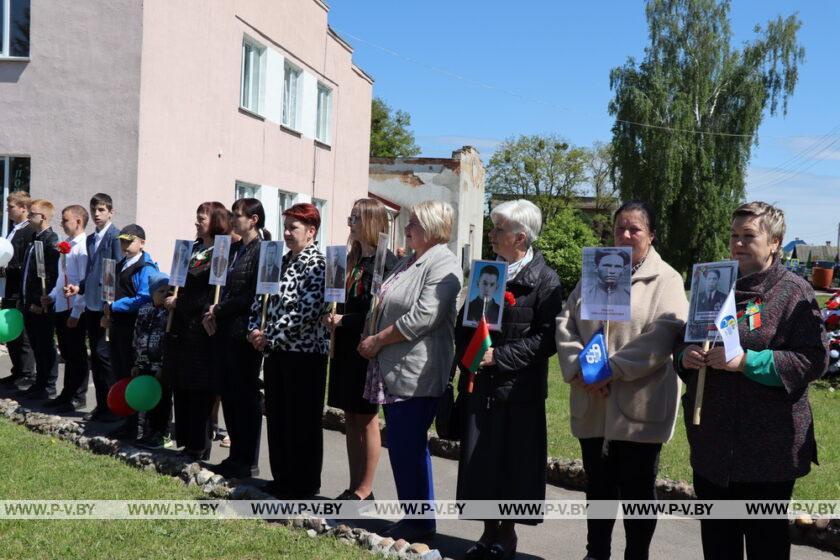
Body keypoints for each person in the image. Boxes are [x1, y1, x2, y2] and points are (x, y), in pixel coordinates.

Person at [677, 202, 828, 560]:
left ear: (775, 242)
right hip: (713, 444)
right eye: (733, 236)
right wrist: (685, 357)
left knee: (766, 546)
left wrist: (747, 361)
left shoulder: (795, 293)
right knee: (717, 545)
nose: (738, 244)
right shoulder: (712, 284)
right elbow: (686, 340)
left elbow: (814, 360)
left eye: (749, 236)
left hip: (768, 453)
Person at [556, 201, 688, 560]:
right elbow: (566, 323)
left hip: (638, 408)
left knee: (638, 493)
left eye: (635, 230)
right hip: (594, 402)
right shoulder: (595, 273)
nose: (626, 235)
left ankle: (636, 556)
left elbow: (664, 334)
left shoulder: (668, 280)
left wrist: (609, 369)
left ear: (652, 235)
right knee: (598, 489)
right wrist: (582, 368)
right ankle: (596, 552)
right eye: (620, 229)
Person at [455, 199, 563, 560]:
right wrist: (468, 353)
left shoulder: (545, 280)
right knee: (481, 461)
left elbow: (546, 339)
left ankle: (508, 535)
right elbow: (465, 321)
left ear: (520, 237)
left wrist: (497, 357)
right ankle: (487, 533)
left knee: (513, 465)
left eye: (498, 228)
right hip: (481, 386)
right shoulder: (487, 271)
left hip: (519, 390)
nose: (492, 234)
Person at [357, 200, 462, 542]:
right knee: (401, 446)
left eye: (414, 222)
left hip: (417, 371)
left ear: (432, 228)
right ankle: (412, 517)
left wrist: (378, 340)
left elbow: (423, 317)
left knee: (409, 446)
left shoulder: (444, 264)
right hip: (393, 365)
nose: (407, 226)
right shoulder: (410, 259)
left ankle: (420, 522)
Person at [248, 203, 329, 498]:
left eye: (294, 227)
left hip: (304, 354)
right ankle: (282, 477)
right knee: (279, 416)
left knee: (302, 420)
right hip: (275, 351)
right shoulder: (280, 261)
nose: (287, 232)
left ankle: (304, 483)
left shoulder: (318, 264)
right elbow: (261, 299)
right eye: (286, 226)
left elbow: (306, 310)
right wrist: (254, 329)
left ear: (311, 231)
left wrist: (270, 335)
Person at [323, 198, 397, 501]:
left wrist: (345, 319)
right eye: (350, 217)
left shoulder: (385, 262)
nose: (349, 224)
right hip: (344, 347)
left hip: (366, 348)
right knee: (349, 417)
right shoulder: (351, 258)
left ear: (370, 222)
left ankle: (366, 488)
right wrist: (331, 315)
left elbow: (378, 309)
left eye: (355, 218)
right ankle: (354, 485)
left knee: (366, 417)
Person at [203, 198, 267, 479]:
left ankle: (247, 459)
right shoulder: (234, 249)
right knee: (228, 394)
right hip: (225, 330)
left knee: (245, 397)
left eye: (238, 215)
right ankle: (235, 455)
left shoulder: (261, 250)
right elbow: (222, 286)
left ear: (253, 220)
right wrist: (212, 310)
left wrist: (221, 308)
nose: (233, 219)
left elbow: (251, 294)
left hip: (244, 333)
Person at [164, 201, 230, 460]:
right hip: (179, 328)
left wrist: (181, 302)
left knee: (198, 390)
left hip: (200, 330)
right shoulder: (191, 249)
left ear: (215, 220)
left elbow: (211, 293)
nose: (197, 221)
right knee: (181, 386)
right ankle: (186, 441)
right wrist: (170, 295)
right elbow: (176, 282)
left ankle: (199, 446)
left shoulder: (220, 251)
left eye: (202, 218)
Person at [65, 193, 122, 422]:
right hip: (91, 303)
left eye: (101, 210)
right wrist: (78, 287)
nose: (97, 214)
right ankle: (101, 405)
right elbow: (91, 272)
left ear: (110, 212)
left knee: (104, 355)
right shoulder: (91, 239)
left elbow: (118, 270)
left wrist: (113, 302)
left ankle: (113, 408)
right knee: (96, 358)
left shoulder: (115, 237)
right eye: (94, 210)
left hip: (106, 305)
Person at [102, 224, 158, 439]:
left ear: (142, 243)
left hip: (135, 330)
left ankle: (138, 426)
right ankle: (127, 422)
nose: (125, 245)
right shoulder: (119, 265)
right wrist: (107, 313)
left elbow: (144, 297)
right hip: (118, 327)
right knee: (121, 375)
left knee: (133, 375)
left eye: (130, 241)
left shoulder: (146, 268)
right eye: (123, 241)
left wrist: (115, 307)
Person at [39, 205, 90, 412]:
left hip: (75, 308)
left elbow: (83, 282)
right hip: (61, 305)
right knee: (67, 354)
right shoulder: (66, 244)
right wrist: (51, 296)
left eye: (65, 220)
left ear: (78, 221)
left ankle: (78, 396)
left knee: (77, 354)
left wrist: (76, 312)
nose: (62, 223)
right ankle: (67, 392)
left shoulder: (83, 246)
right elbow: (62, 277)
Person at [16, 199, 59, 400]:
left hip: (40, 303)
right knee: (35, 343)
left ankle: (48, 384)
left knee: (44, 344)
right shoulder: (34, 239)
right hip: (28, 300)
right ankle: (39, 382)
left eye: (32, 213)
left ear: (42, 217)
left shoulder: (51, 241)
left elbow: (49, 275)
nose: (28, 216)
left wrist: (38, 300)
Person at [0, 191, 37, 388]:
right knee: (9, 334)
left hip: (17, 289)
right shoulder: (13, 229)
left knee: (21, 334)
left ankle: (27, 373)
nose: (8, 209)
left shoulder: (28, 231)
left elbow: (23, 262)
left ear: (23, 208)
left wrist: (6, 270)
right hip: (8, 289)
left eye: (11, 206)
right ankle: (17, 371)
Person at [133, 271, 173, 449]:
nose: (166, 295)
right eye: (161, 291)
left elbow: (169, 340)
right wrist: (136, 363)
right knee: (147, 400)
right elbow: (137, 335)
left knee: (162, 400)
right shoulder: (144, 309)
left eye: (169, 291)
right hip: (144, 361)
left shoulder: (170, 313)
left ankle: (162, 433)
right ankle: (148, 431)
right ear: (152, 293)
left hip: (161, 364)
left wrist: (163, 366)